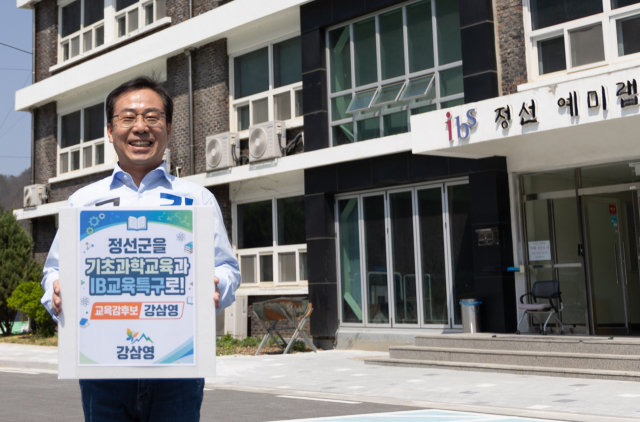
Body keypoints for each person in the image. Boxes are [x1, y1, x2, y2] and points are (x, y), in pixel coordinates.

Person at [40, 76, 241, 422]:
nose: (141, 127)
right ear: (109, 130)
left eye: (152, 117)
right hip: (103, 370)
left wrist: (215, 285)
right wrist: (55, 294)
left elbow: (227, 268)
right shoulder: (82, 202)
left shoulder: (197, 199)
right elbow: (54, 271)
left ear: (168, 128)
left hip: (179, 370)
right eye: (128, 117)